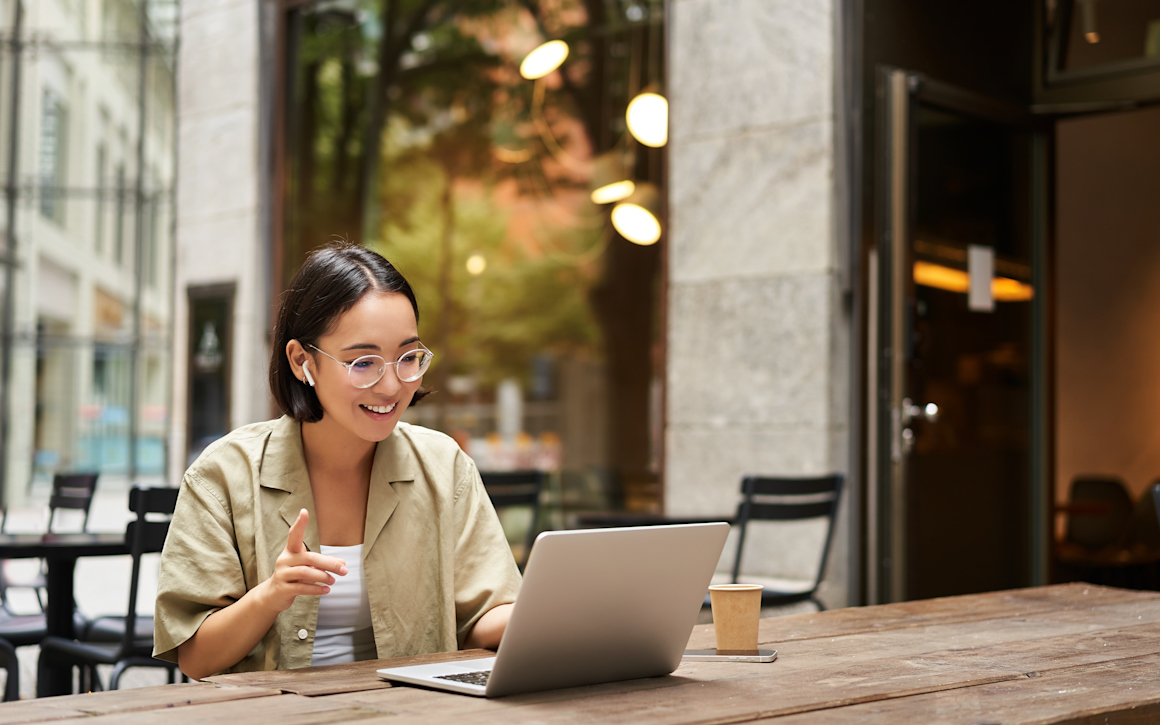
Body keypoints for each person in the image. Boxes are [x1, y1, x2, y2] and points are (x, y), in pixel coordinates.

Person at [154, 243, 521, 680]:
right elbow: (196, 659)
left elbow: (483, 619)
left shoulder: (444, 467)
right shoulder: (224, 474)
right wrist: (271, 595)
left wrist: (553, 613)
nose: (390, 386)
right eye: (363, 362)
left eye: (408, 358)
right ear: (301, 361)